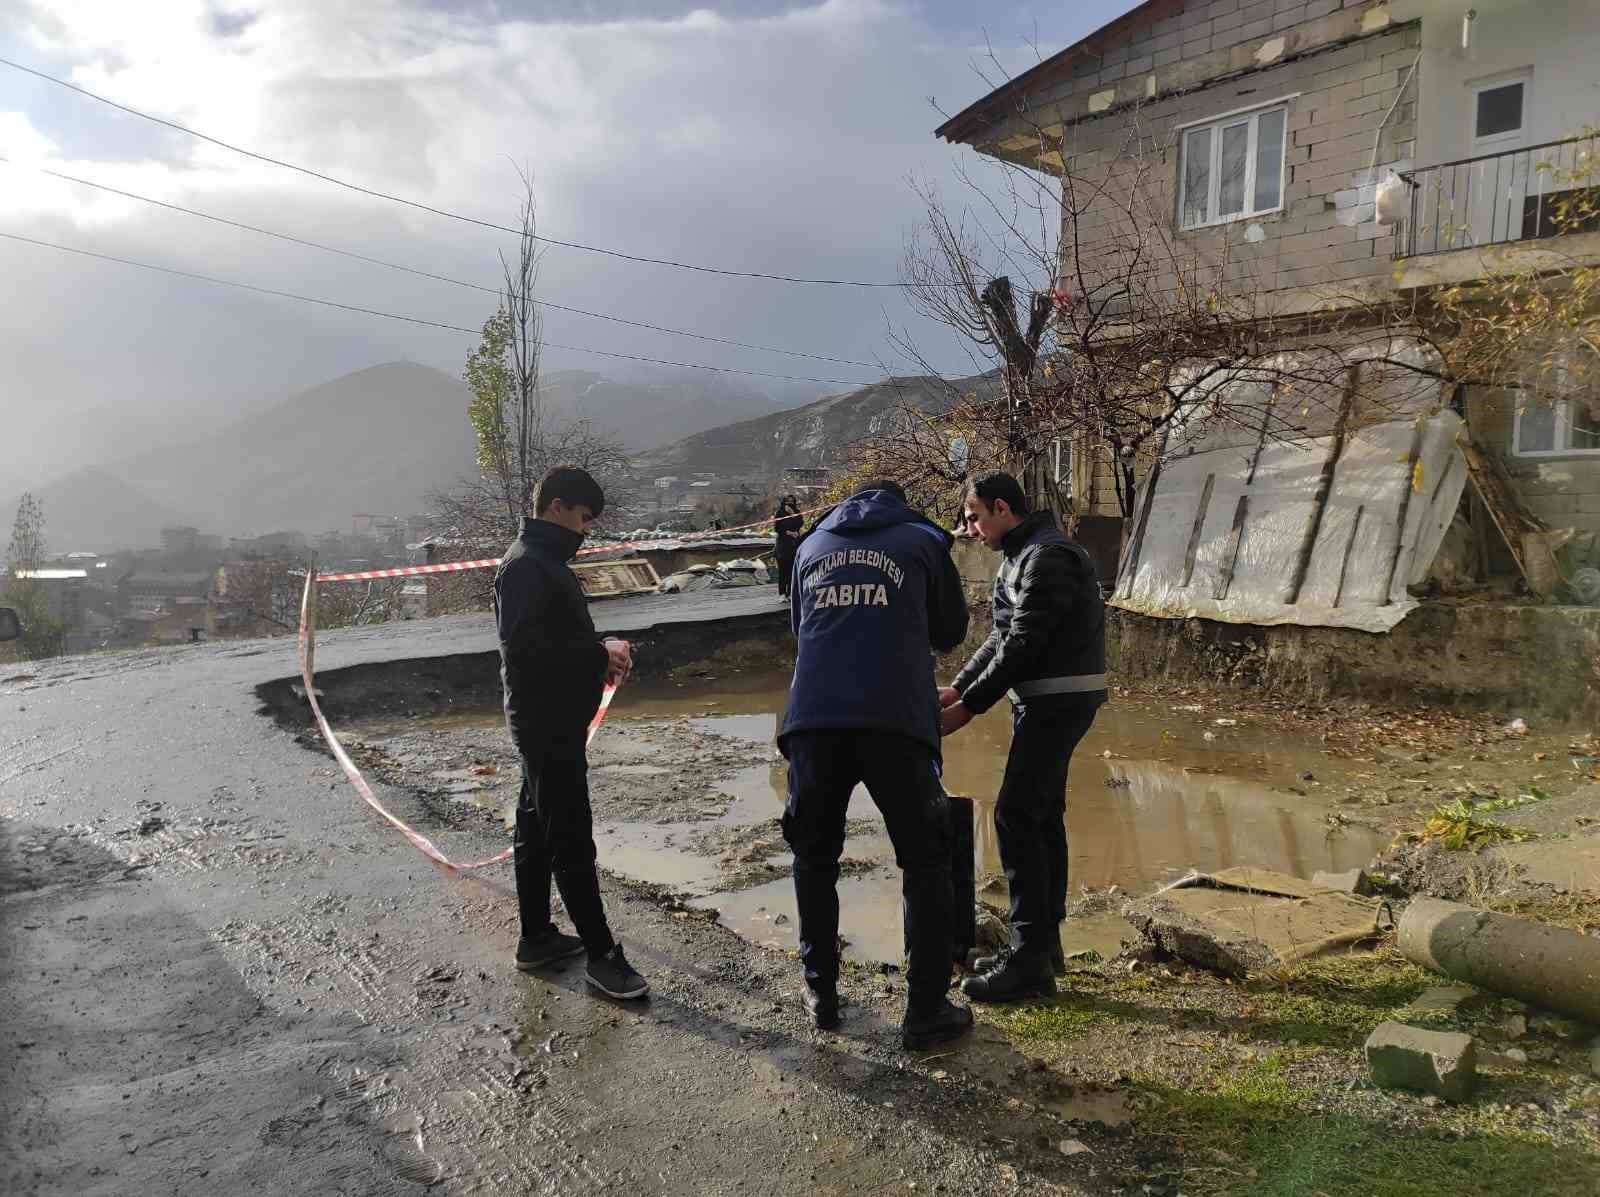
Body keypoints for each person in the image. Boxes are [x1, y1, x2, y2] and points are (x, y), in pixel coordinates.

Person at [780, 479, 974, 1050]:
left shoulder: (811, 546)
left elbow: (802, 631)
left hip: (813, 720)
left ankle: (821, 993)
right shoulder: (921, 540)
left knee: (814, 857)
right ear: (899, 504)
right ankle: (926, 1009)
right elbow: (951, 631)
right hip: (895, 721)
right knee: (925, 858)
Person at [939, 471, 1107, 1003]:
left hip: (1058, 697)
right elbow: (1000, 637)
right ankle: (1043, 945)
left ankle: (1030, 960)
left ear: (1002, 508)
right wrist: (958, 688)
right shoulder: (1020, 557)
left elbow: (1025, 646)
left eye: (973, 516)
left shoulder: (1048, 557)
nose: (968, 528)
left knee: (1015, 813)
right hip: (1045, 698)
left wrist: (967, 709)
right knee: (1039, 813)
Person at [494, 465, 648, 1000]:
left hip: (551, 719)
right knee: (570, 839)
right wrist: (598, 653)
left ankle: (536, 938)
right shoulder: (527, 567)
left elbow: (553, 641)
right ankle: (603, 957)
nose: (585, 530)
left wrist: (597, 653)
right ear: (557, 506)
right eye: (583, 518)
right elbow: (528, 654)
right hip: (547, 725)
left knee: (534, 832)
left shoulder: (543, 562)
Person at [773, 495, 803, 600]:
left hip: (794, 545)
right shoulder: (780, 513)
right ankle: (782, 593)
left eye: (792, 502)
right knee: (783, 570)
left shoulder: (797, 512)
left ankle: (790, 593)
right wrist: (788, 532)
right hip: (782, 545)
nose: (789, 504)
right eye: (787, 502)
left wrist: (792, 514)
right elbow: (777, 528)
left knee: (792, 570)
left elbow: (799, 523)